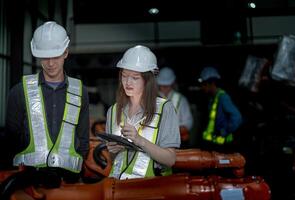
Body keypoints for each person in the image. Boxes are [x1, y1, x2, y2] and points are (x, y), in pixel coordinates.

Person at [5, 21, 90, 182]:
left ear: (66, 52)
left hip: (69, 180)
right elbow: (11, 140)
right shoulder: (19, 91)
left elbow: (83, 138)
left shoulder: (80, 91)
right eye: (44, 57)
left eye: (56, 56)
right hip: (29, 181)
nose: (50, 64)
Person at [105, 45, 181, 179]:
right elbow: (114, 161)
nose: (128, 82)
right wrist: (113, 150)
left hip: (149, 188)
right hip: (118, 188)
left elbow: (170, 159)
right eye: (124, 76)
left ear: (148, 80)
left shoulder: (165, 109)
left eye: (135, 77)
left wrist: (140, 140)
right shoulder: (113, 111)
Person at [198, 66, 242, 153]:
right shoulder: (212, 98)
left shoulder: (223, 97)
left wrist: (225, 130)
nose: (202, 87)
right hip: (213, 144)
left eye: (204, 84)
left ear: (212, 83)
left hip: (222, 146)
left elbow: (237, 117)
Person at [156, 67, 193, 148]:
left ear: (172, 83)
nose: (165, 88)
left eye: (167, 85)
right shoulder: (153, 98)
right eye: (163, 85)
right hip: (157, 142)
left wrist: (176, 130)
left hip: (177, 142)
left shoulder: (181, 99)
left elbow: (188, 122)